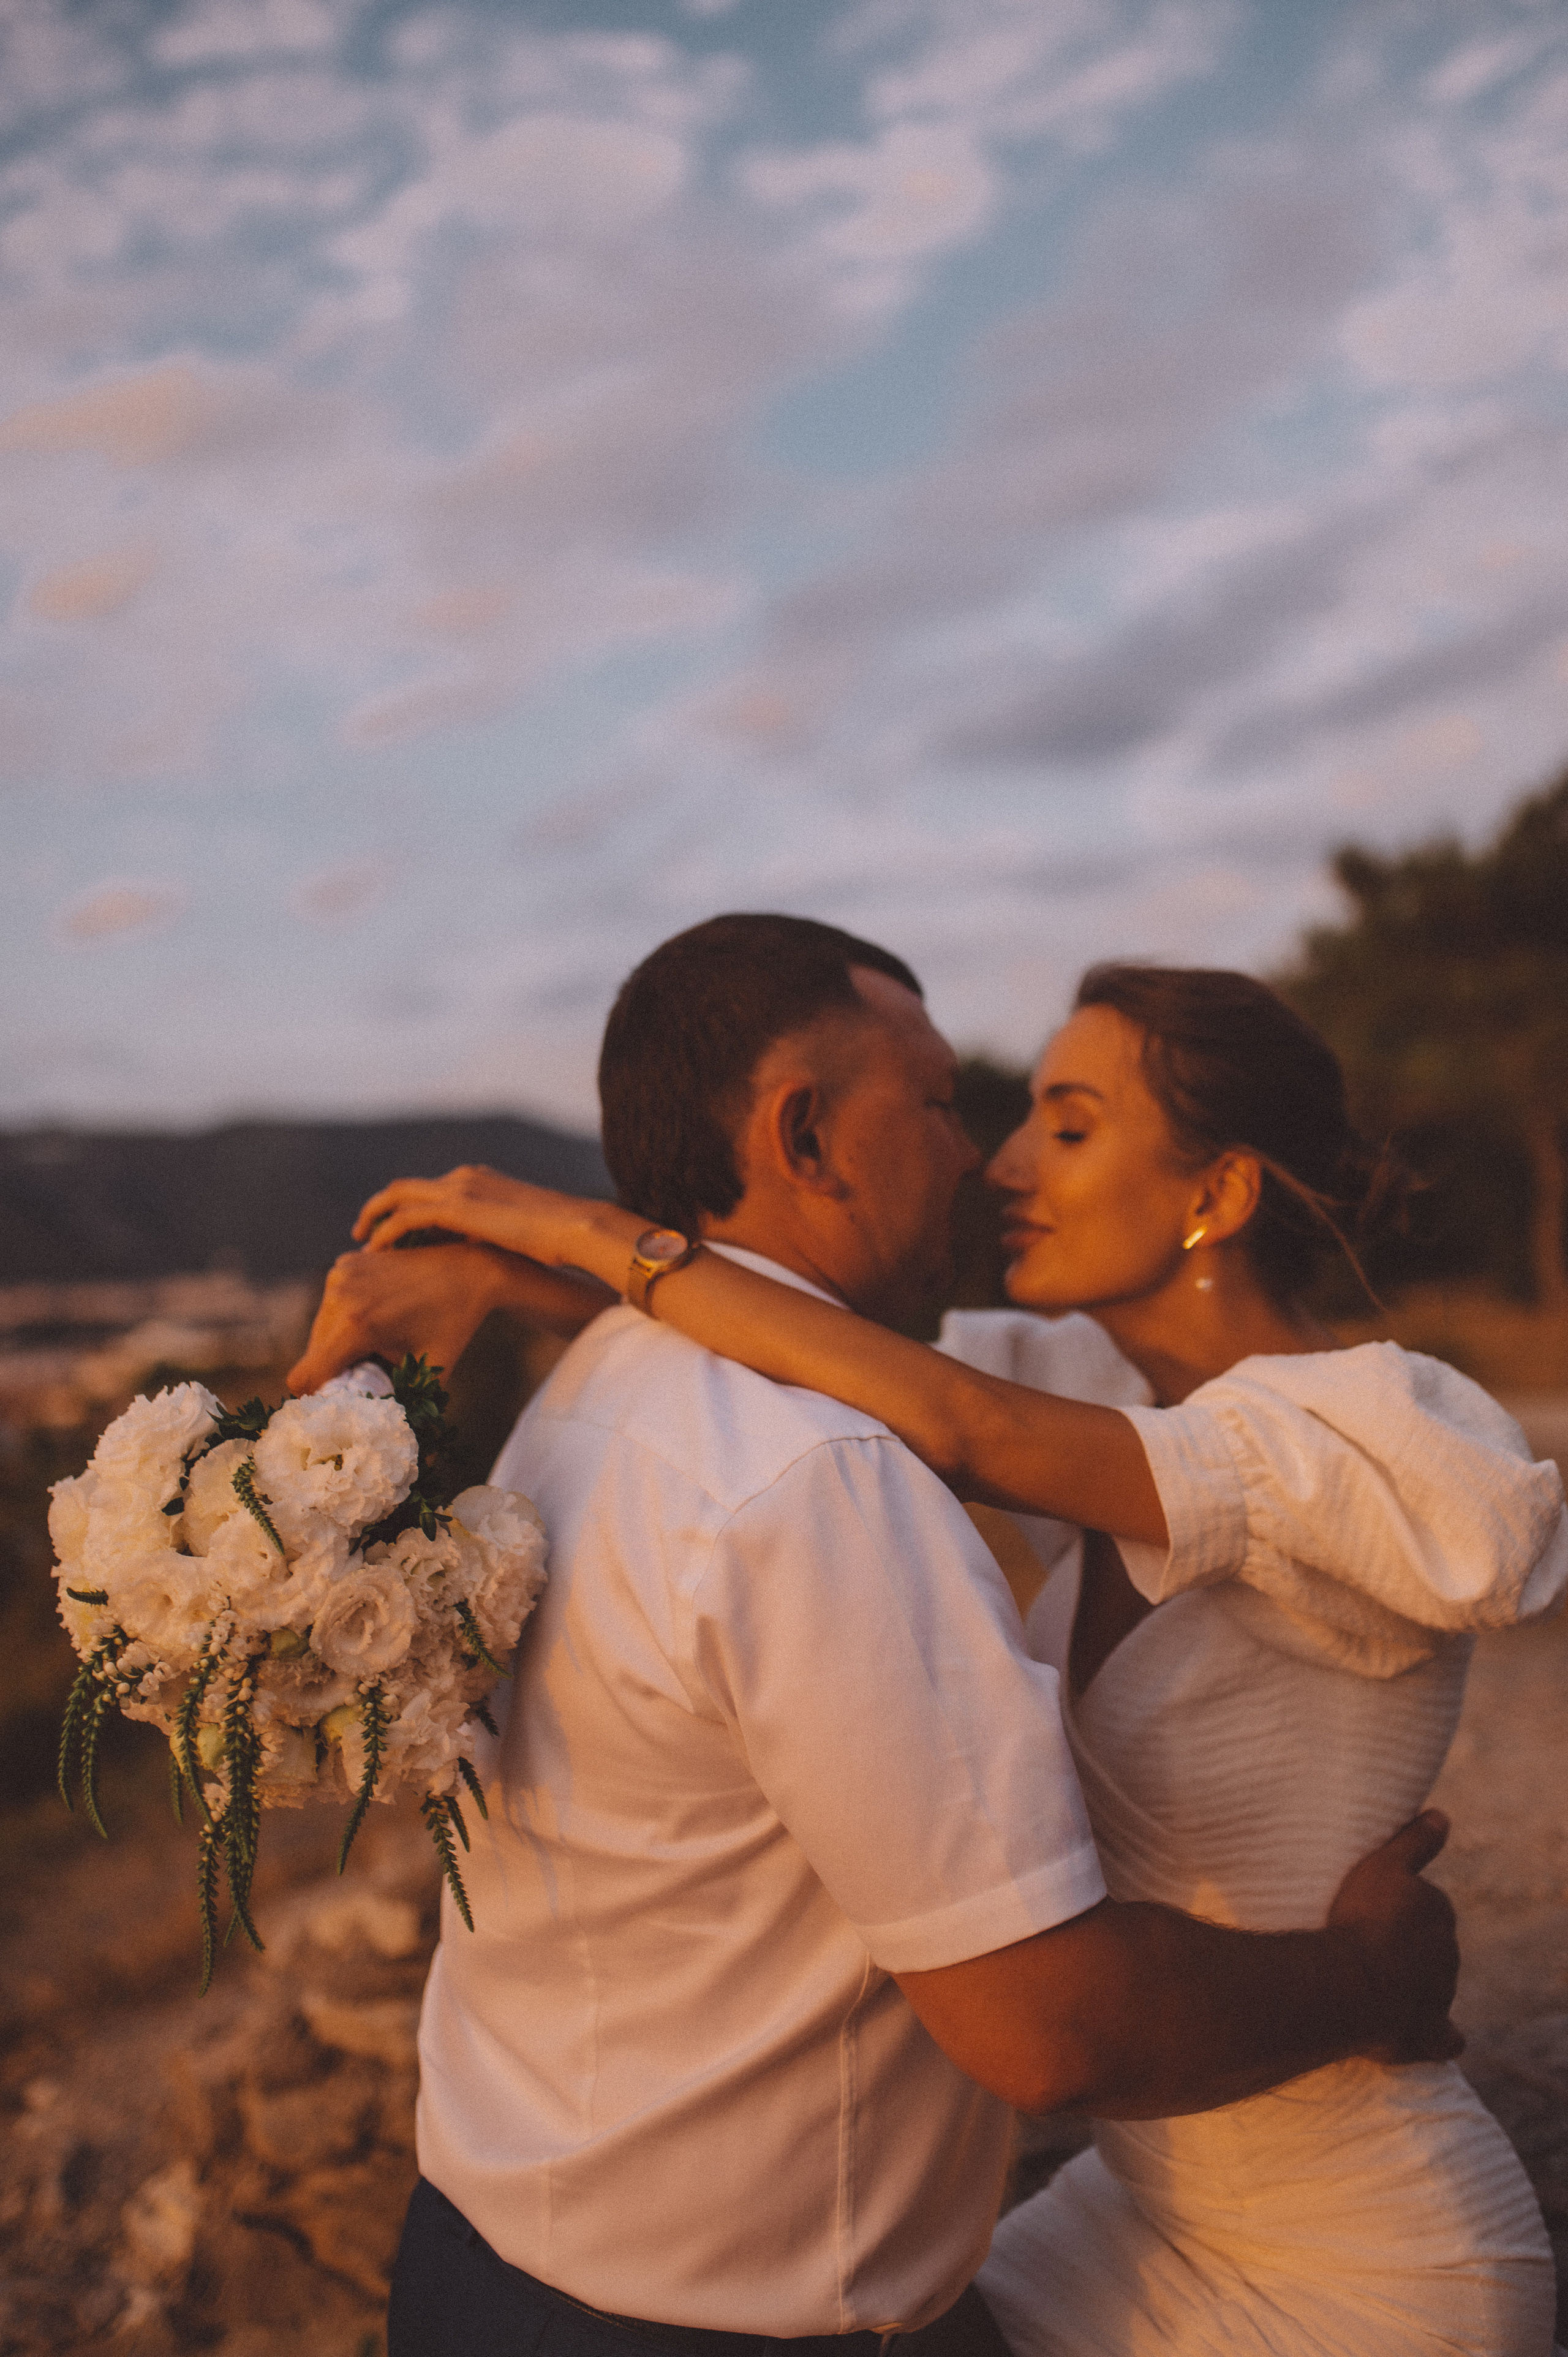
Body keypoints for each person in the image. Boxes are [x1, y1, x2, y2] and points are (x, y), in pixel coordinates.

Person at [293, 920, 1476, 2357]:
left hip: (489, 2253)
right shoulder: (826, 1467)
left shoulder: (609, 1387)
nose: (985, 1158)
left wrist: (555, 1254)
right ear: (804, 1134)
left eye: (1060, 1121)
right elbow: (1043, 2028)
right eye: (939, 1102)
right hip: (710, 2326)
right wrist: (1372, 1976)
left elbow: (958, 1408)